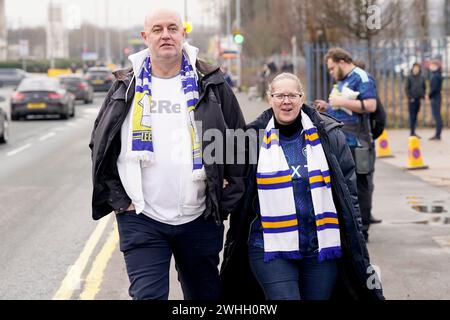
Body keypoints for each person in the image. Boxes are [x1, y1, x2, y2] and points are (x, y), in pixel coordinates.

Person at [89, 9, 246, 300]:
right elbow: (101, 143)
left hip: (200, 215)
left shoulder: (210, 81)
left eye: (172, 28)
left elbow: (237, 138)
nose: (165, 35)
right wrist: (119, 200)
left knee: (205, 297)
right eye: (158, 29)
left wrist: (226, 198)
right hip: (141, 217)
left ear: (183, 34)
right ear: (145, 37)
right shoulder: (126, 86)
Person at [221, 73, 383, 301]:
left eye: (292, 95)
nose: (286, 101)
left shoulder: (329, 134)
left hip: (320, 247)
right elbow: (232, 184)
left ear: (301, 98)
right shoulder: (250, 138)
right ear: (270, 99)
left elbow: (349, 193)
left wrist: (355, 232)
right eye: (279, 95)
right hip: (269, 247)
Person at [313, 47, 377, 242]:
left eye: (332, 68)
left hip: (358, 141)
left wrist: (340, 101)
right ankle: (348, 228)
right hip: (342, 140)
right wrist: (328, 106)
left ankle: (362, 230)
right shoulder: (343, 80)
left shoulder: (361, 77)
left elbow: (371, 105)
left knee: (360, 186)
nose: (331, 72)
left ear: (341, 62)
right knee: (344, 185)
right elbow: (343, 107)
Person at [353, 59, 383, 225]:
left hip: (362, 141)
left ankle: (363, 219)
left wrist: (372, 136)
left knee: (362, 182)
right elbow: (381, 118)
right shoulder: (364, 92)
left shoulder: (360, 93)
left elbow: (380, 116)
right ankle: (365, 217)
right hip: (365, 141)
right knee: (365, 182)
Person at [405, 63, 426, 138]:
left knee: (415, 116)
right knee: (412, 116)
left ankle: (413, 132)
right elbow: (407, 89)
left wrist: (423, 95)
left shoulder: (421, 78)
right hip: (412, 100)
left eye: (417, 68)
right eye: (415, 68)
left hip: (418, 100)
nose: (416, 69)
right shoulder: (409, 77)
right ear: (413, 68)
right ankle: (412, 133)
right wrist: (410, 97)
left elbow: (424, 87)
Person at [428, 60, 443, 141]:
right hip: (436, 97)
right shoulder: (437, 74)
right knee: (437, 115)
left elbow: (434, 88)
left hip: (435, 97)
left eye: (432, 65)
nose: (430, 67)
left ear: (436, 66)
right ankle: (437, 134)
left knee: (437, 116)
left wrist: (429, 95)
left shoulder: (436, 76)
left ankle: (438, 134)